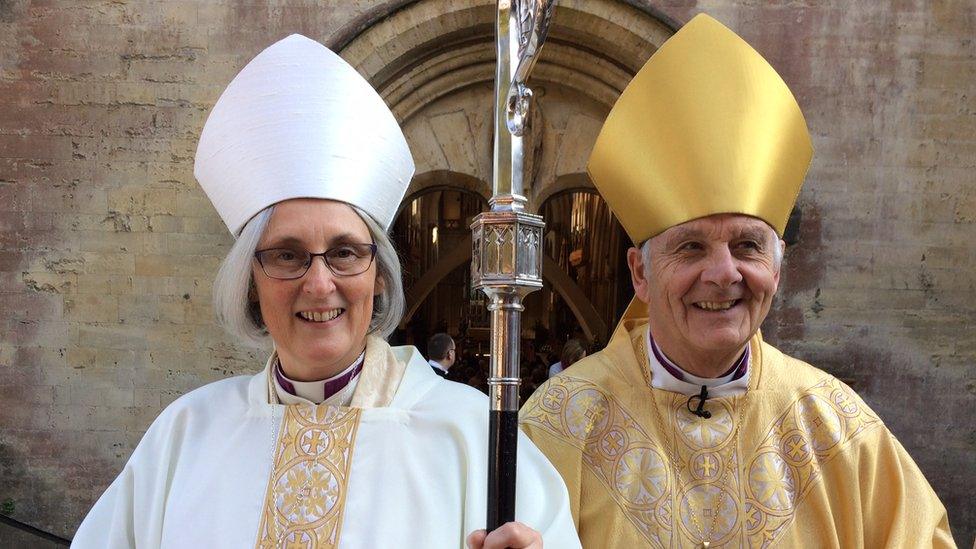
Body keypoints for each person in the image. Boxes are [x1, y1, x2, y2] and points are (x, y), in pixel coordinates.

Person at [72, 34, 580, 549]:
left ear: (379, 273)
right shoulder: (184, 437)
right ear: (252, 279)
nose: (319, 284)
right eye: (287, 254)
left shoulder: (473, 435)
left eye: (344, 252)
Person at [520, 14, 955, 548]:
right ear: (641, 274)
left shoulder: (843, 432)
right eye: (691, 247)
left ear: (777, 266)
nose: (724, 273)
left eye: (748, 246)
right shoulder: (557, 429)